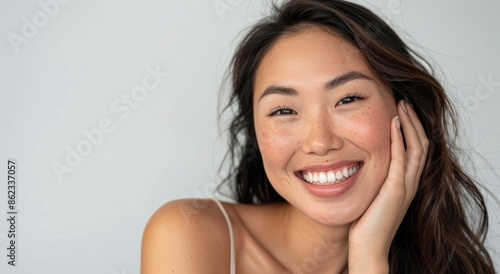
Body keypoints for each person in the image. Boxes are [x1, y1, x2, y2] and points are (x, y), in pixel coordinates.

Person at [141, 0, 496, 273]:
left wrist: (369, 257)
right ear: (256, 135)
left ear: (407, 112)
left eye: (348, 99)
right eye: (284, 111)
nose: (319, 141)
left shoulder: (448, 265)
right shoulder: (189, 233)